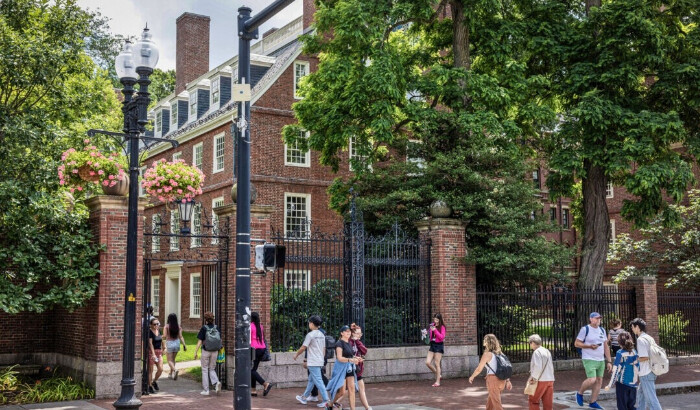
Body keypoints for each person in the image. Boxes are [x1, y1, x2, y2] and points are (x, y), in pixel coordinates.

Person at [574, 312, 612, 409]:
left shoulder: (602, 330)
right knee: (592, 379)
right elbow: (577, 343)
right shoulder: (585, 329)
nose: (598, 320)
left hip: (600, 359)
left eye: (599, 318)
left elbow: (606, 346)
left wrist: (609, 361)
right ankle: (580, 393)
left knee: (599, 380)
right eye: (596, 318)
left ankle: (593, 402)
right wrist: (589, 346)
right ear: (591, 319)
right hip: (589, 358)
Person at [293, 315, 332, 408]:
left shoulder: (310, 335)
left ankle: (326, 400)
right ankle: (304, 397)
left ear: (312, 323)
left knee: (318, 381)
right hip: (319, 360)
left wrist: (296, 354)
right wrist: (321, 359)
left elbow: (303, 347)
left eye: (309, 323)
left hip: (313, 361)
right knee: (311, 380)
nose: (309, 324)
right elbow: (324, 349)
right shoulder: (321, 335)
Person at [469, 334, 512, 410]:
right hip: (502, 380)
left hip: (493, 380)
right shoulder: (500, 354)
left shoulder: (487, 354)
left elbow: (479, 369)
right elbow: (505, 367)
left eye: (484, 341)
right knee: (490, 403)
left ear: (486, 342)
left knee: (497, 404)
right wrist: (508, 381)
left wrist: (472, 376)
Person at [630, 317, 662, 410]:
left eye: (632, 327)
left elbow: (645, 357)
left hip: (646, 373)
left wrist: (634, 360)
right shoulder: (649, 337)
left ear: (637, 327)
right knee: (641, 395)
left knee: (651, 400)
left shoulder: (640, 340)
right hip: (651, 371)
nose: (632, 329)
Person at [326, 325, 361, 410]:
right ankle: (330, 403)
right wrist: (351, 360)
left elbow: (350, 355)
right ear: (342, 333)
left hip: (349, 367)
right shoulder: (339, 343)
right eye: (346, 331)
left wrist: (356, 358)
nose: (348, 332)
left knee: (351, 389)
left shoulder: (348, 342)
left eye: (349, 331)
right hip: (342, 368)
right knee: (341, 392)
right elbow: (339, 358)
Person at [604, 331, 639, 410]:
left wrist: (610, 385)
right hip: (633, 385)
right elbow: (638, 368)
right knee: (631, 407)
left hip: (622, 384)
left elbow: (615, 371)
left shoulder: (620, 353)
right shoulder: (634, 352)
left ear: (619, 342)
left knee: (622, 407)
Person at [193, 311, 222, 396]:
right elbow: (220, 339)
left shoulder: (204, 328)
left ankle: (206, 390)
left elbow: (200, 341)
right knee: (212, 368)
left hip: (206, 351)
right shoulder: (217, 327)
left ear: (205, 319)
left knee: (205, 369)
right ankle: (216, 382)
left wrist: (195, 351)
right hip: (215, 351)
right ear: (213, 319)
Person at [526, 334, 555, 410]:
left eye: (530, 343)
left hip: (540, 380)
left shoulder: (536, 352)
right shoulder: (547, 351)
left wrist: (533, 378)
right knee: (548, 403)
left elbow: (538, 367)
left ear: (532, 342)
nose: (530, 345)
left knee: (533, 400)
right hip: (550, 379)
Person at [250, 312, 273, 397]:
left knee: (250, 370)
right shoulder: (260, 326)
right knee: (254, 369)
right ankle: (253, 390)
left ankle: (265, 384)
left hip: (254, 350)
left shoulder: (250, 326)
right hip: (262, 349)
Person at [350, 323, 372, 410]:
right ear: (352, 333)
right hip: (349, 369)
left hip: (357, 369)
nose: (360, 335)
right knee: (344, 392)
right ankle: (331, 403)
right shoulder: (348, 342)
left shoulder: (357, 342)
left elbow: (364, 351)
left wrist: (357, 341)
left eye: (360, 333)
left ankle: (367, 407)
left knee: (361, 388)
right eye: (358, 333)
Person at [163, 313, 187, 381]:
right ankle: (171, 374)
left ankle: (175, 370)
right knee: (173, 359)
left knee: (169, 360)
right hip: (177, 343)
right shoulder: (178, 326)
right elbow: (181, 336)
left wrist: (159, 336)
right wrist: (184, 345)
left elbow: (164, 336)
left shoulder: (166, 326)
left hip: (170, 343)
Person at [425, 313, 446, 387]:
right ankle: (438, 374)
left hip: (439, 346)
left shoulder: (442, 327)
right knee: (427, 362)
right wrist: (425, 333)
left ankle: (437, 382)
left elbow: (442, 337)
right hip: (432, 345)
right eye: (434, 319)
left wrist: (435, 331)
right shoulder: (432, 325)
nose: (435, 321)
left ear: (440, 320)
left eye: (437, 320)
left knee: (437, 364)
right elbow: (427, 333)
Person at [147, 317, 164, 394]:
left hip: (159, 352)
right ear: (150, 325)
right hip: (152, 352)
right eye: (154, 324)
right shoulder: (150, 332)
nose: (156, 325)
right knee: (151, 370)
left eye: (157, 324)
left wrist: (164, 347)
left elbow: (161, 339)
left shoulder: (158, 330)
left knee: (160, 369)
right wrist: (153, 354)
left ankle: (154, 381)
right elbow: (150, 343)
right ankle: (150, 386)